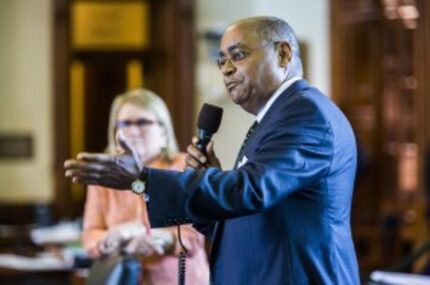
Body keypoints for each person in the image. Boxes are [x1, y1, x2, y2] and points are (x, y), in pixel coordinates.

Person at [65, 16, 360, 284]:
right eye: (222, 61)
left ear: (283, 54)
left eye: (238, 55)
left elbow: (253, 190)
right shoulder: (271, 120)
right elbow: (244, 217)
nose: (227, 68)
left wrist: (143, 179)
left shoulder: (306, 116)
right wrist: (212, 181)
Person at [81, 89, 209, 285]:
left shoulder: (185, 168)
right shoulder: (103, 177)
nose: (132, 131)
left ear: (163, 130)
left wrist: (158, 238)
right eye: (124, 124)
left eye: (142, 122)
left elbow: (195, 235)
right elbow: (91, 236)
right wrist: (116, 237)